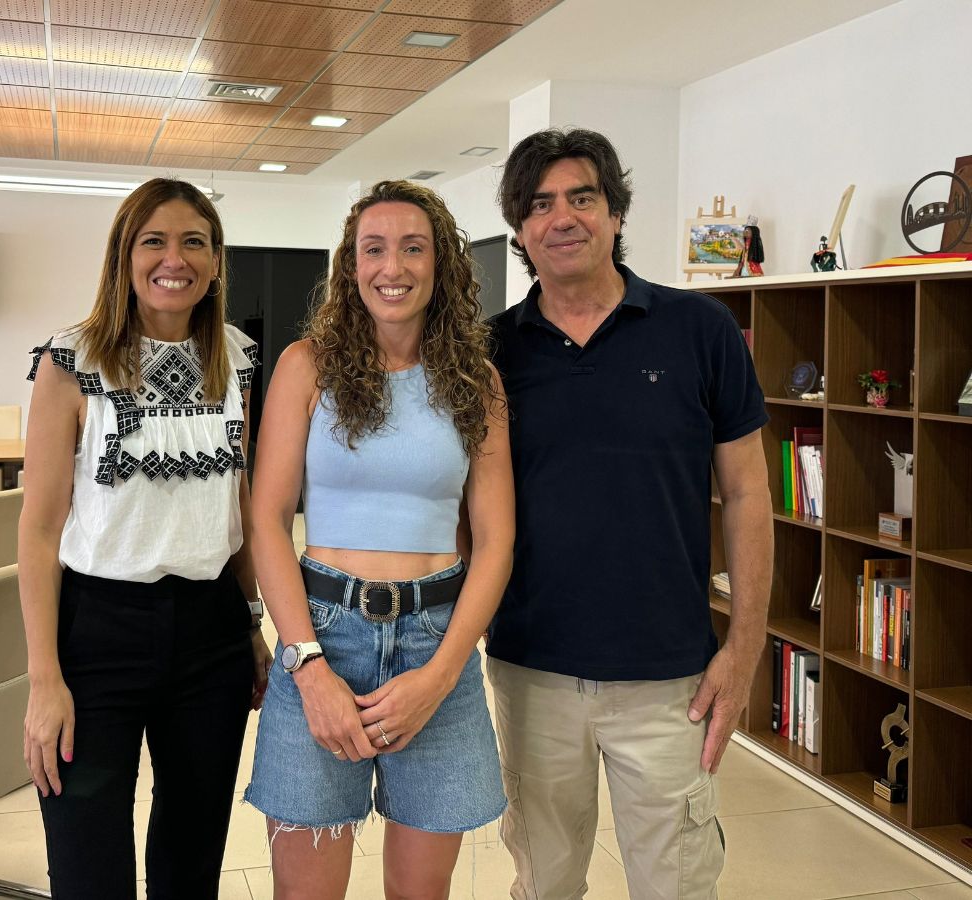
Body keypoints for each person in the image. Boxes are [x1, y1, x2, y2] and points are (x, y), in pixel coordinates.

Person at [486, 128, 773, 899]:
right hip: (530, 671)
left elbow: (748, 494)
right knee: (544, 883)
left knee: (674, 885)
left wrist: (743, 652)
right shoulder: (489, 351)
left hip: (671, 679)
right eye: (540, 204)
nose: (563, 217)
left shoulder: (700, 330)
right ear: (521, 230)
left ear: (616, 213)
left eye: (583, 197)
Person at [244, 180, 513, 900]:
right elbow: (266, 519)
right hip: (323, 637)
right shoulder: (308, 365)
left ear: (441, 264)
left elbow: (496, 542)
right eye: (374, 249)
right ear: (350, 265)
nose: (392, 266)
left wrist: (442, 675)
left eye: (413, 247)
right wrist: (307, 668)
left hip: (436, 642)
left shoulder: (475, 381)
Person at [18, 178, 273, 900]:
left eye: (195, 241)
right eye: (153, 240)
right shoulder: (70, 361)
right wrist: (44, 679)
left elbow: (242, 504)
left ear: (218, 260)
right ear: (124, 256)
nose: (175, 258)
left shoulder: (239, 360)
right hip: (97, 632)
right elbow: (37, 531)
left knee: (191, 853)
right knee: (86, 853)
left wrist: (252, 623)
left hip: (210, 631)